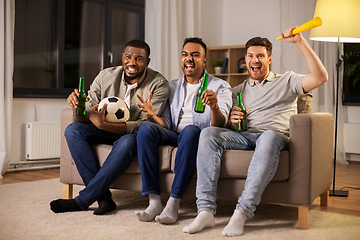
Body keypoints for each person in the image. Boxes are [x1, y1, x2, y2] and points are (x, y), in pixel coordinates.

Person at [183, 27, 328, 236]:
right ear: (245, 60)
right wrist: (232, 122)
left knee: (268, 136)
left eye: (260, 55)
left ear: (269, 59)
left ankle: (242, 212)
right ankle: (205, 211)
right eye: (250, 56)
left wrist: (299, 42)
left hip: (274, 136)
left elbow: (321, 77)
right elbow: (223, 122)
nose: (255, 60)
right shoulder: (237, 91)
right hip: (244, 136)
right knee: (207, 133)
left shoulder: (287, 80)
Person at [50, 39, 169, 215]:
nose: (132, 63)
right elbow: (82, 117)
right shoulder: (105, 76)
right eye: (128, 57)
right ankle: (104, 199)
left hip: (133, 135)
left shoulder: (159, 83)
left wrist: (103, 124)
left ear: (147, 62)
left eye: (139, 58)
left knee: (128, 142)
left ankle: (83, 200)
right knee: (72, 130)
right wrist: (78, 107)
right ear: (122, 57)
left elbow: (145, 125)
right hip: (104, 129)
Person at [134, 37, 232, 224]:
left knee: (190, 131)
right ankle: (154, 201)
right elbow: (167, 123)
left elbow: (221, 124)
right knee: (146, 129)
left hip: (196, 136)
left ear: (204, 60)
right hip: (173, 134)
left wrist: (214, 107)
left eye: (196, 55)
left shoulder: (219, 86)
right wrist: (153, 116)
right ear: (181, 58)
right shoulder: (171, 86)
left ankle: (173, 203)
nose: (189, 59)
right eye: (185, 54)